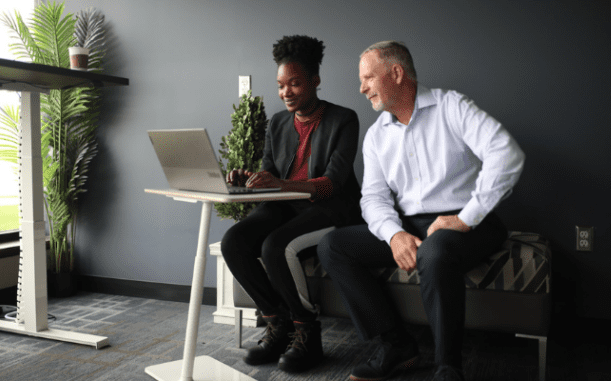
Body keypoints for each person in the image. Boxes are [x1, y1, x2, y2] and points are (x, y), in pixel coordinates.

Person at [317, 41, 525, 381]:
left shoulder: (451, 106)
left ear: (396, 73)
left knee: (435, 250)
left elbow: (507, 153)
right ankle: (397, 347)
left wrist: (464, 218)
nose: (361, 88)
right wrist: (395, 234)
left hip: (472, 221)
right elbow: (373, 198)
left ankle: (448, 367)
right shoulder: (376, 137)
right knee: (333, 246)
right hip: (412, 224)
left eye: (368, 77)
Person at [221, 35, 362, 373]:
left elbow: (331, 184)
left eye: (295, 84)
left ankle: (307, 333)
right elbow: (270, 171)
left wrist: (280, 183)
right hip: (285, 206)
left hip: (330, 210)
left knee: (275, 246)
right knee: (234, 241)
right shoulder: (278, 123)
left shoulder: (344, 119)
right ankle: (277, 323)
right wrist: (250, 180)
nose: (285, 92)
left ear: (315, 80)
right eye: (281, 85)